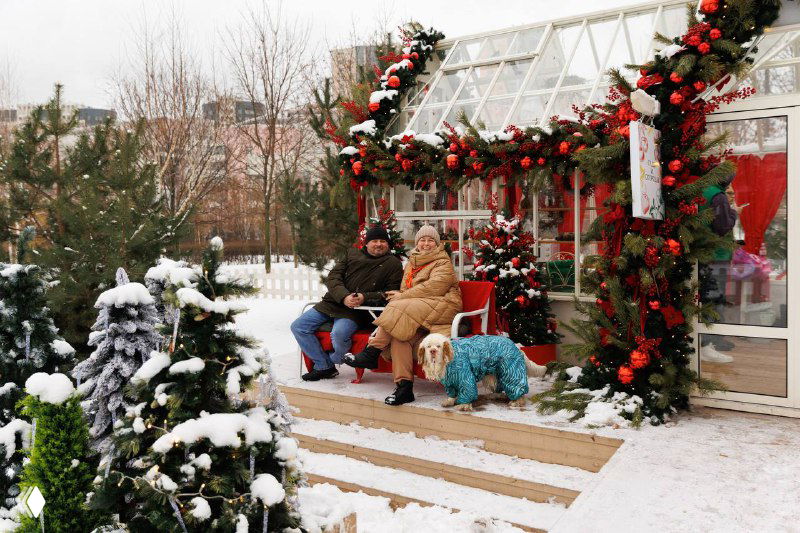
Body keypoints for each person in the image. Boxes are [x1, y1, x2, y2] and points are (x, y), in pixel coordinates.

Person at [344, 225, 462, 406]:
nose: (426, 243)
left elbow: (434, 288)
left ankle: (372, 350)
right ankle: (404, 388)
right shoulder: (412, 263)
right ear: (417, 243)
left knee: (399, 304)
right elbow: (406, 291)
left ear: (437, 243)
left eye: (431, 240)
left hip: (443, 306)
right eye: (422, 240)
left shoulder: (442, 262)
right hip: (417, 310)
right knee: (400, 337)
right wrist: (403, 296)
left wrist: (402, 296)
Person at [291, 226, 403, 381]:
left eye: (382, 241)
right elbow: (333, 277)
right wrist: (344, 296)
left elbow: (390, 293)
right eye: (374, 241)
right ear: (366, 243)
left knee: (339, 334)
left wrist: (364, 297)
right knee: (298, 327)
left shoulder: (393, 264)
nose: (378, 244)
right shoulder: (352, 254)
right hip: (332, 302)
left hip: (357, 310)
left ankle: (335, 359)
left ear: (388, 244)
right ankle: (324, 366)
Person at [699, 177, 743, 363]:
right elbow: (722, 227)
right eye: (729, 192)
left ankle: (710, 343)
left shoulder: (702, 192)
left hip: (708, 257)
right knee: (714, 301)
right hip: (715, 259)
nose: (731, 195)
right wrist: (733, 213)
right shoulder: (717, 197)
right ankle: (709, 346)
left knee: (711, 300)